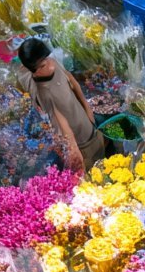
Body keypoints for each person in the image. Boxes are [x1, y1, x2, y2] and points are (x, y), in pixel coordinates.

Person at [17, 38, 105, 173]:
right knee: (93, 168)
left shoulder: (51, 63)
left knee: (98, 149)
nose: (47, 66)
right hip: (77, 138)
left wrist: (87, 109)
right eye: (39, 67)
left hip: (85, 122)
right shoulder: (45, 92)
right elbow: (62, 123)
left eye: (45, 61)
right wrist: (74, 149)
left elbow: (71, 80)